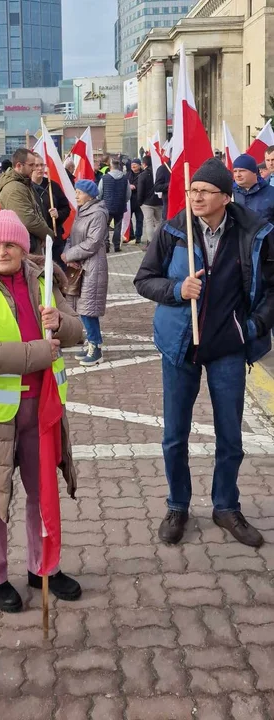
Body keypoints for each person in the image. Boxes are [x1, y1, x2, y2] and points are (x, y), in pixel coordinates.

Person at [134, 158, 274, 548]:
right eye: (192, 190)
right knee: (174, 434)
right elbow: (144, 280)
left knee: (230, 434)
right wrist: (178, 291)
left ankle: (226, 505)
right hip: (180, 344)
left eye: (204, 191)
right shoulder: (174, 230)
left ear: (226, 198)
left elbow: (270, 289)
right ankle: (177, 504)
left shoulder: (254, 233)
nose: (195, 196)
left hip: (228, 345)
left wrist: (254, 327)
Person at [0, 209, 83, 612]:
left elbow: (77, 331)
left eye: (10, 244)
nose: (2, 251)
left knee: (41, 494)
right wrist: (40, 352)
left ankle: (44, 567)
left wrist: (59, 321)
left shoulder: (44, 281)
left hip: (41, 410)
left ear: (25, 249)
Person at [61, 179, 109, 367]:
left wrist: (70, 254)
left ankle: (96, 348)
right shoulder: (83, 211)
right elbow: (73, 236)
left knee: (88, 310)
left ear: (89, 194)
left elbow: (92, 243)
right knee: (85, 308)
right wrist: (67, 253)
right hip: (81, 265)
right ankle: (92, 342)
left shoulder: (97, 214)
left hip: (92, 267)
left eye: (79, 192)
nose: (76, 195)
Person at [0, 148, 54, 253]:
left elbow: (36, 211)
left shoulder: (23, 183)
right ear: (19, 165)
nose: (34, 169)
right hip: (24, 247)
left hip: (29, 243)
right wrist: (49, 235)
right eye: (31, 165)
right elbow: (29, 220)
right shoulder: (15, 188)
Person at [31, 153, 71, 268]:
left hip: (55, 236)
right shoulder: (26, 187)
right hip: (36, 240)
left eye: (42, 165)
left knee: (58, 270)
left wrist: (58, 214)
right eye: (36, 165)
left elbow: (66, 207)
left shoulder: (52, 186)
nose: (40, 168)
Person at [98, 157, 130, 253]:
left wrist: (100, 202)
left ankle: (106, 245)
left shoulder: (104, 178)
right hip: (120, 206)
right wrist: (124, 201)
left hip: (106, 206)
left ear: (111, 166)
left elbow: (99, 192)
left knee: (105, 226)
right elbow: (128, 194)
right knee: (118, 226)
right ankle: (116, 245)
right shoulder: (125, 178)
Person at [232, 153, 274, 223]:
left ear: (254, 172)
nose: (237, 175)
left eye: (242, 171)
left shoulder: (271, 193)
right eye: (235, 171)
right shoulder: (229, 194)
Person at [137, 155, 163, 248]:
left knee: (148, 222)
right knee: (159, 222)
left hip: (147, 203)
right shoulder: (158, 173)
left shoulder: (142, 175)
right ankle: (159, 242)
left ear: (144, 164)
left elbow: (140, 191)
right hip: (159, 201)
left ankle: (151, 243)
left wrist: (139, 202)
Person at [127, 158, 144, 244]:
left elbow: (145, 186)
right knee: (128, 219)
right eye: (132, 165)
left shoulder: (143, 174)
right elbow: (125, 184)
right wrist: (129, 186)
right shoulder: (128, 174)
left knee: (139, 219)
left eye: (135, 165)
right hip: (129, 201)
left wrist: (135, 187)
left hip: (139, 201)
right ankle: (131, 235)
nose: (133, 166)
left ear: (139, 165)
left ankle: (138, 237)